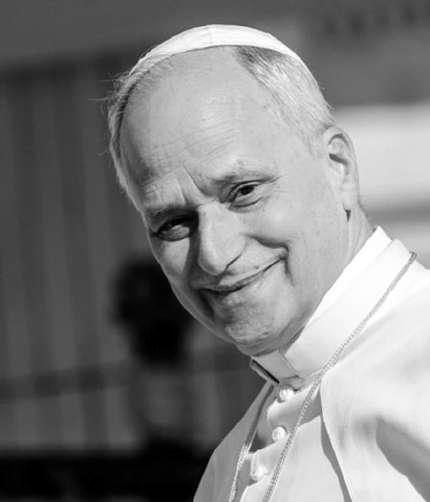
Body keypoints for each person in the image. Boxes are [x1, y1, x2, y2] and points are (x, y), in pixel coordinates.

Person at [107, 25, 430, 501]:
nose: (214, 254)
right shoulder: (227, 467)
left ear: (337, 167)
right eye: (174, 223)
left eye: (243, 192)